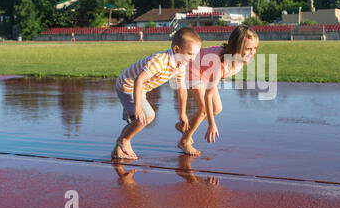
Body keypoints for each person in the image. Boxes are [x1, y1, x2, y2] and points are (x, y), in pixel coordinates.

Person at [111, 27, 202, 160]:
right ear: (177, 50)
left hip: (139, 88)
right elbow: (139, 79)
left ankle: (118, 150)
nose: (193, 59)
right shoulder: (160, 61)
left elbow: (182, 89)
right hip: (127, 86)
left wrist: (182, 114)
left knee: (138, 120)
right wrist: (137, 108)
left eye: (195, 54)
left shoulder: (180, 64)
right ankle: (124, 141)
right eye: (190, 54)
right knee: (147, 117)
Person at [175, 25, 259, 155]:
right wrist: (211, 124)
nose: (252, 52)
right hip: (192, 70)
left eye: (254, 48)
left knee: (216, 109)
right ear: (236, 48)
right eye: (248, 49)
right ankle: (184, 141)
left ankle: (183, 126)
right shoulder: (221, 62)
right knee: (203, 109)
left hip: (205, 74)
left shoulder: (238, 59)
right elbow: (208, 95)